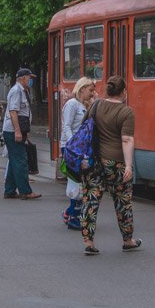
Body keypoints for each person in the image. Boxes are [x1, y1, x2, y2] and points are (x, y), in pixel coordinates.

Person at [79, 75, 141, 255]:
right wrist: (128, 166)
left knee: (90, 200)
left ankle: (89, 242)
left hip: (94, 162)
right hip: (116, 163)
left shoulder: (95, 106)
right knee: (123, 201)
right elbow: (127, 139)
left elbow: (84, 128)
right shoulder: (126, 112)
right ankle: (128, 240)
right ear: (124, 92)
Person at [59, 77, 96, 229]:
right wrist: (72, 145)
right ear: (82, 89)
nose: (92, 93)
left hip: (79, 150)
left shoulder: (83, 105)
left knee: (79, 182)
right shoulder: (72, 104)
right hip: (72, 149)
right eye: (90, 90)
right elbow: (66, 126)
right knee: (76, 182)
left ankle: (70, 213)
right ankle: (74, 217)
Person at [2, 68, 41, 200]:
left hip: (16, 130)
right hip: (13, 131)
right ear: (23, 78)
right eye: (29, 77)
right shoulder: (16, 91)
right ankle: (25, 191)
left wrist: (24, 132)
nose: (30, 80)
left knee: (14, 161)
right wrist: (18, 131)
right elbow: (13, 112)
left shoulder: (23, 91)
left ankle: (9, 191)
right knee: (21, 161)